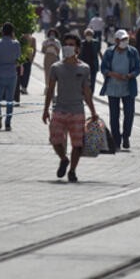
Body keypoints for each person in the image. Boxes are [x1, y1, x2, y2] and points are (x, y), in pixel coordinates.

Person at [43, 33, 99, 183]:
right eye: (66, 44)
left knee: (78, 144)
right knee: (55, 140)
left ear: (77, 49)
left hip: (77, 111)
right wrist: (45, 110)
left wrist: (93, 111)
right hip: (60, 109)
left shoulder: (84, 68)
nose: (68, 47)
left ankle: (72, 171)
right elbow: (50, 89)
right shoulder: (56, 67)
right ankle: (63, 159)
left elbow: (87, 92)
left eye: (71, 45)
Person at [100, 29, 140, 149]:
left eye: (126, 39)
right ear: (116, 40)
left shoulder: (133, 52)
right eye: (122, 39)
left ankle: (126, 136)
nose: (125, 41)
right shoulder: (109, 52)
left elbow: (138, 68)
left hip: (128, 87)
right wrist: (113, 74)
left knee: (129, 114)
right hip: (112, 88)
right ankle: (116, 140)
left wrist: (130, 75)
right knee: (114, 115)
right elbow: (103, 68)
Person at [0, 23, 21, 131]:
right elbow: (18, 58)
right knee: (10, 100)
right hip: (12, 73)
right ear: (12, 32)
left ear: (2, 32)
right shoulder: (16, 43)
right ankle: (8, 122)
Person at [78, 28, 102, 93]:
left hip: (93, 65)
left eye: (90, 34)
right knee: (83, 80)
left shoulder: (96, 43)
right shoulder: (81, 43)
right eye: (87, 34)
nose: (89, 36)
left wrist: (103, 61)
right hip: (83, 64)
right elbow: (78, 53)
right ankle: (83, 93)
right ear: (85, 35)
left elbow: (99, 52)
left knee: (92, 80)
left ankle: (91, 93)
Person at [42, 28, 61, 93]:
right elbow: (43, 51)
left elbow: (58, 52)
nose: (52, 35)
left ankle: (52, 87)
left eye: (53, 34)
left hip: (54, 57)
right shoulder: (46, 41)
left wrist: (54, 46)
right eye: (51, 34)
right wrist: (48, 46)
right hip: (47, 56)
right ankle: (47, 86)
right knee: (47, 73)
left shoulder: (57, 42)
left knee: (53, 73)